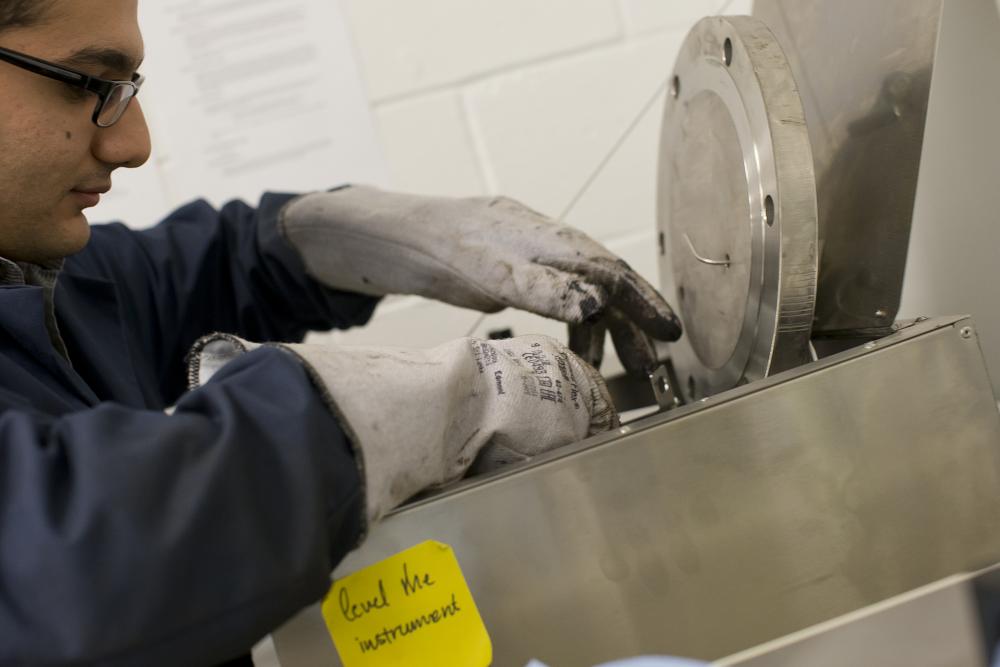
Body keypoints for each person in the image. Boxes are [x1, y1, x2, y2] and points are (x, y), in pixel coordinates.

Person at [0, 1, 681, 664]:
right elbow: (65, 558)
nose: (132, 142)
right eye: (89, 82)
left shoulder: (33, 274)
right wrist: (408, 408)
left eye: (127, 88)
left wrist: (369, 234)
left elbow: (192, 270)